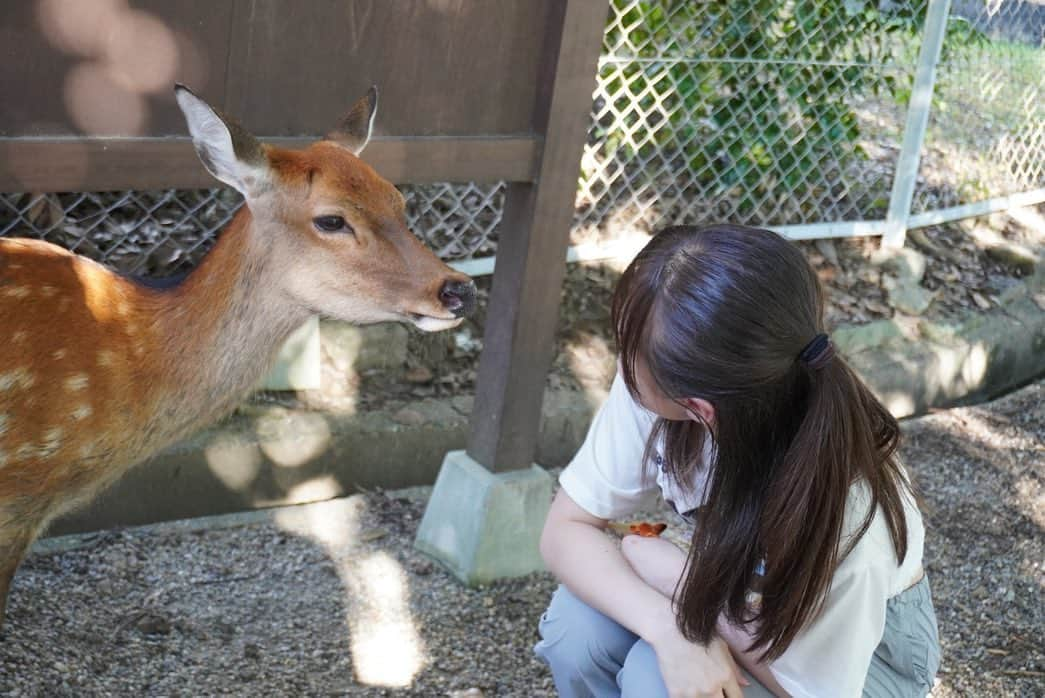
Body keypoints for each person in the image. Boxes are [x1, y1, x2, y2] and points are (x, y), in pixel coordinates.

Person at [534, 224, 940, 697]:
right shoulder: (674, 378)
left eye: (628, 351)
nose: (623, 364)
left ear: (699, 410)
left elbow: (815, 689)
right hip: (735, 598)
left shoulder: (848, 511)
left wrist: (684, 592)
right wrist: (670, 628)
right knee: (577, 627)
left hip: (863, 660)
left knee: (654, 679)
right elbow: (566, 528)